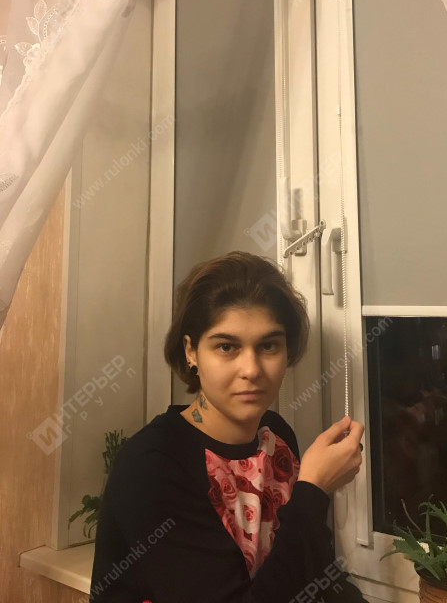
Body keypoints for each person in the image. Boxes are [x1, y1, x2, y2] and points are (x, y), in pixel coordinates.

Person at [89, 251, 367, 603]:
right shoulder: (151, 465)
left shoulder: (276, 437)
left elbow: (315, 572)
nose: (251, 369)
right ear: (191, 351)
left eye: (268, 345)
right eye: (226, 347)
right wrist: (313, 490)